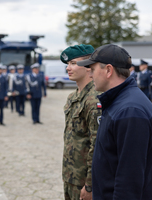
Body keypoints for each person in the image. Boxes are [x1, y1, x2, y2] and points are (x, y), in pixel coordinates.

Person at [77, 44, 152, 199]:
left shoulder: (130, 111)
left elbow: (129, 181)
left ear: (108, 70)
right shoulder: (120, 102)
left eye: (93, 70)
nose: (90, 76)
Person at [60, 44, 102, 200]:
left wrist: (90, 184)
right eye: (68, 64)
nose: (68, 68)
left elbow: (96, 145)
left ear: (88, 67)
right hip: (70, 175)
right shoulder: (73, 97)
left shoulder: (94, 98)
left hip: (84, 180)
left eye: (73, 63)